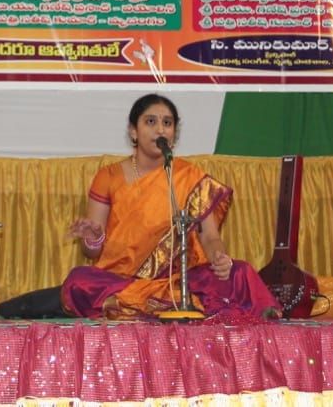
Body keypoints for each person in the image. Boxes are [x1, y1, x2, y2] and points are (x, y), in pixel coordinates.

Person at [61, 94, 277, 319]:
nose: (160, 130)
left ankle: (135, 305)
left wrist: (219, 258)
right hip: (122, 279)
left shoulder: (189, 176)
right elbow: (91, 252)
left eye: (167, 123)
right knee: (79, 281)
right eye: (150, 121)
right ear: (133, 131)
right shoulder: (108, 177)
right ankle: (171, 304)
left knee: (241, 272)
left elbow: (210, 237)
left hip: (180, 279)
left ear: (174, 133)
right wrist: (94, 238)